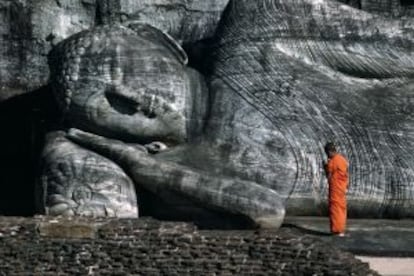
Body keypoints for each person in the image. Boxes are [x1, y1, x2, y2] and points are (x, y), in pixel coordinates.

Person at [324, 142, 349, 237]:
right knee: (342, 208)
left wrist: (325, 167)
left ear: (330, 151)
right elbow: (346, 174)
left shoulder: (333, 161)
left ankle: (336, 230)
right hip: (342, 187)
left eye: (327, 153)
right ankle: (341, 229)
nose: (327, 155)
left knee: (335, 208)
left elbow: (329, 177)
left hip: (335, 188)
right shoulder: (342, 160)